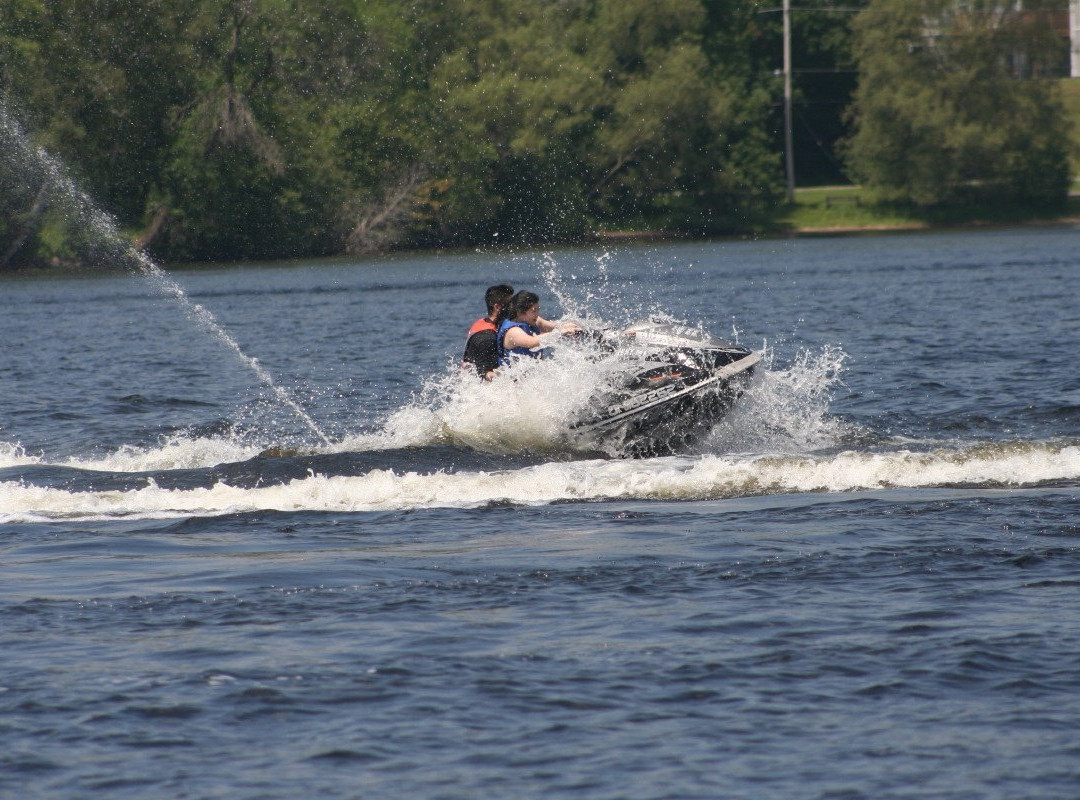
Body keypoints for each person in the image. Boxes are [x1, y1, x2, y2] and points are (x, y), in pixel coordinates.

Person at [497, 290, 578, 366]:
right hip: (516, 378)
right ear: (520, 312)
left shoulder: (532, 320)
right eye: (534, 311)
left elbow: (554, 326)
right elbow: (532, 342)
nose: (537, 314)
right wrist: (560, 332)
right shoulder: (513, 331)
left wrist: (572, 327)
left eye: (537, 310)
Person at [463, 284, 514, 380]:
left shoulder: (483, 322)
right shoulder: (487, 337)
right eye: (510, 304)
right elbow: (485, 373)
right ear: (497, 307)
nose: (513, 308)